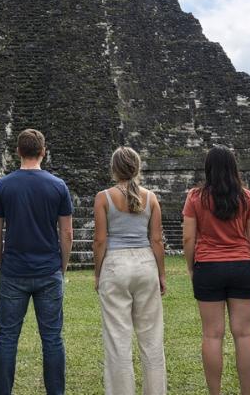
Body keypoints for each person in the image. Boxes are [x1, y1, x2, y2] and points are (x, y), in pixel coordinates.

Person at [0, 128, 74, 395]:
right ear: (43, 152)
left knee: (6, 338)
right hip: (48, 268)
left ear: (18, 152)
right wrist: (63, 265)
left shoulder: (3, 185)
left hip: (14, 269)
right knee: (52, 339)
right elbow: (67, 233)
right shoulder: (57, 185)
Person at [182, 145, 250, 395]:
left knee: (212, 335)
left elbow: (188, 239)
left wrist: (192, 268)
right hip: (242, 266)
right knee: (244, 333)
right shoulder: (246, 197)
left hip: (208, 266)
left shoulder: (195, 197)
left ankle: (214, 393)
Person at [93, 146, 167, 395]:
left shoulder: (104, 197)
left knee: (117, 340)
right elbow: (157, 240)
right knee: (152, 340)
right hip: (145, 264)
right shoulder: (151, 197)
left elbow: (100, 240)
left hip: (115, 264)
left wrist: (97, 272)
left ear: (114, 169)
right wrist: (161, 273)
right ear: (137, 167)